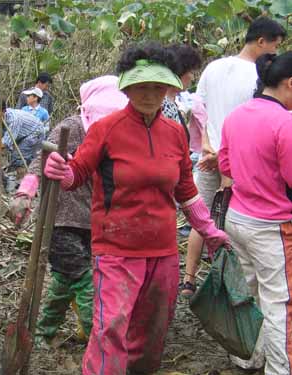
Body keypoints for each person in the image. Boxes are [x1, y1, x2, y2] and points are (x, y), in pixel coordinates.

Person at [43, 43, 229, 374]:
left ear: (169, 88)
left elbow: (185, 189)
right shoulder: (106, 129)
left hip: (162, 251)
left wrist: (209, 230)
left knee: (152, 330)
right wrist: (63, 171)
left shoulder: (174, 132)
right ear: (127, 87)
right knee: (110, 327)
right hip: (116, 249)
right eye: (141, 86)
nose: (148, 94)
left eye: (157, 86)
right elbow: (78, 173)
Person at [9, 75, 128, 346]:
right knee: (87, 283)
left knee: (65, 280)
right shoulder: (72, 128)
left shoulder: (120, 132)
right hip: (61, 221)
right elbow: (41, 161)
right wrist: (24, 193)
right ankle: (101, 343)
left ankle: (43, 333)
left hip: (94, 221)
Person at [182, 17, 286, 301]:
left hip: (209, 154)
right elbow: (252, 119)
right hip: (237, 158)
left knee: (201, 219)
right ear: (261, 41)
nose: (275, 53)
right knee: (231, 223)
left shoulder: (214, 67)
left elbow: (198, 110)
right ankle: (229, 285)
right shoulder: (261, 75)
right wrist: (221, 154)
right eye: (275, 46)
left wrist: (205, 146)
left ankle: (189, 280)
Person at [219, 52, 292, 375]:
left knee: (249, 291)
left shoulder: (237, 116)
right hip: (272, 225)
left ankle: (248, 356)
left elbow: (225, 165)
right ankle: (280, 368)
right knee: (281, 302)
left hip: (237, 217)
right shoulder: (285, 122)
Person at [161, 43, 202, 141]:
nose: (192, 78)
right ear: (179, 71)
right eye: (191, 72)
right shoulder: (164, 105)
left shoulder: (170, 102)